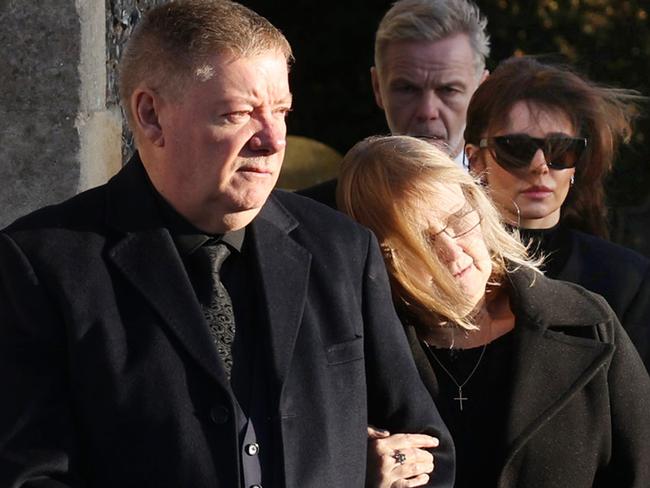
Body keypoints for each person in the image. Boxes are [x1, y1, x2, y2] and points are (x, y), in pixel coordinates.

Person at [0, 2, 455, 487]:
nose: (274, 139)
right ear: (151, 115)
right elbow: (30, 476)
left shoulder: (341, 249)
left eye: (281, 112)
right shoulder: (40, 265)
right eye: (239, 114)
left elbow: (427, 452)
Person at [338, 134, 650, 488]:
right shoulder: (351, 361)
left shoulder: (586, 322)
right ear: (380, 258)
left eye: (458, 222)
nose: (454, 255)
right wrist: (349, 471)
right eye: (422, 242)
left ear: (479, 206)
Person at [464, 56, 650, 371]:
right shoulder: (444, 268)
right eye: (516, 147)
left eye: (561, 150)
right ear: (476, 161)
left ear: (577, 164)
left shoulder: (625, 280)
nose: (540, 166)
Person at [299, 0, 489, 208]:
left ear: (481, 93)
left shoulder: (515, 208)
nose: (427, 111)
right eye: (407, 89)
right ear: (378, 87)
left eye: (448, 90)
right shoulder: (315, 215)